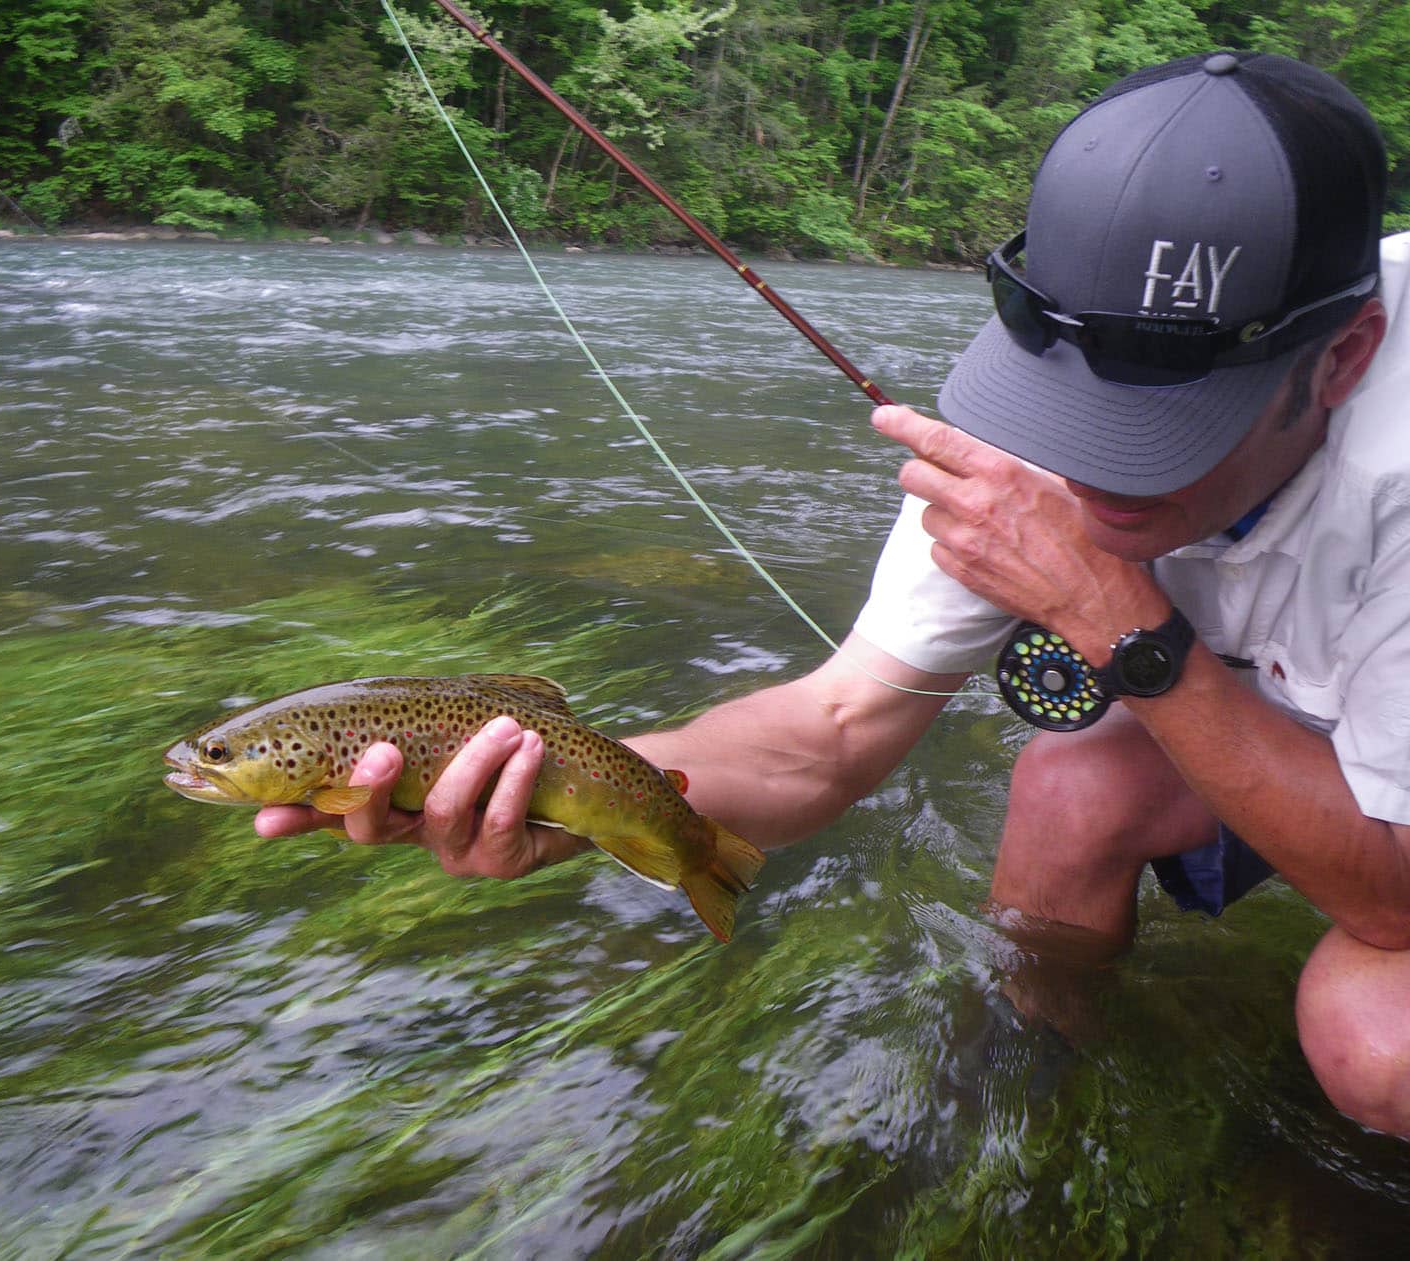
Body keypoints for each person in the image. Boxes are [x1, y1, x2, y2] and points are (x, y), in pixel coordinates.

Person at [257, 52, 1410, 1135]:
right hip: (1279, 700)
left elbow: (1392, 902)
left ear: (1345, 358)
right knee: (1071, 792)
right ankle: (1040, 1089)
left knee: (1374, 1040)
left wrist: (1121, 622)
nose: (1088, 469)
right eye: (1068, 403)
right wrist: (569, 796)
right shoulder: (1022, 441)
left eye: (1161, 426)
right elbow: (828, 734)